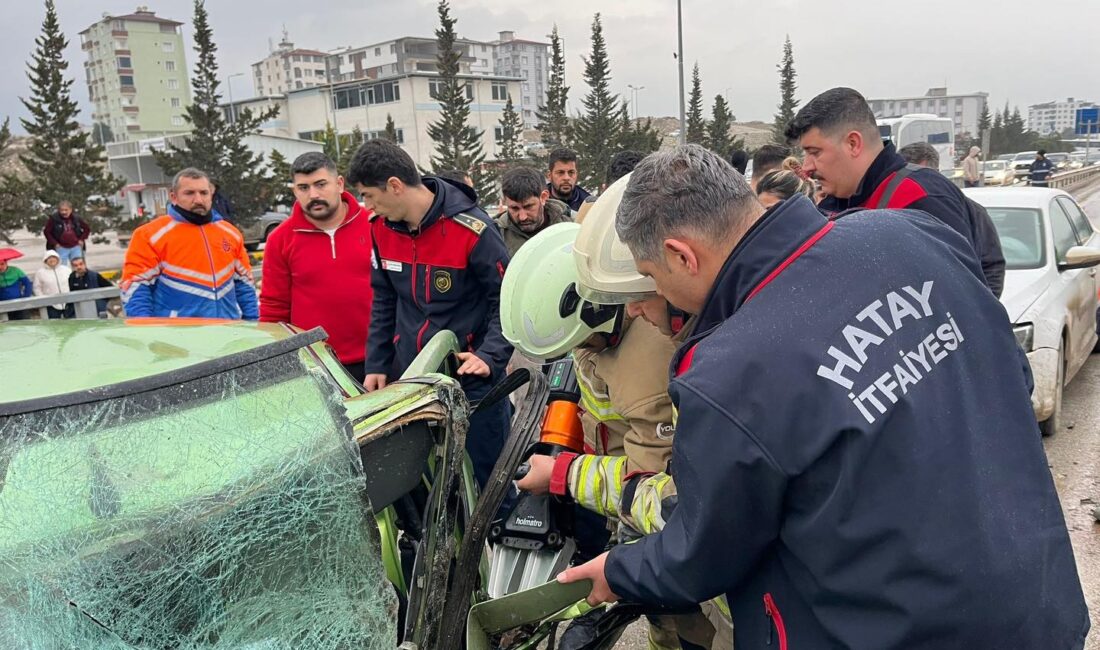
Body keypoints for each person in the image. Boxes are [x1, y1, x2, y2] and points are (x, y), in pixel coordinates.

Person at [557, 145, 1089, 648]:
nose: (645, 304)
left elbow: (706, 551)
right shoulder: (911, 235)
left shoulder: (726, 373)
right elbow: (1012, 382)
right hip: (1036, 605)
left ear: (681, 255)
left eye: (649, 277)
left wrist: (619, 570)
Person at [346, 140, 513, 490]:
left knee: (488, 481)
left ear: (394, 185)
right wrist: (377, 363)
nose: (366, 205)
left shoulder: (473, 230)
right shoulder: (379, 229)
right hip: (413, 378)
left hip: (471, 380)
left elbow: (506, 299)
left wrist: (490, 355)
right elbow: (384, 300)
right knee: (431, 486)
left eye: (369, 195)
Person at [788, 87, 1005, 295]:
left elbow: (961, 299)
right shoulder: (832, 205)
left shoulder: (922, 196)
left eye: (815, 152)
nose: (806, 166)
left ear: (853, 144)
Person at [260, 153, 374, 382]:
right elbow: (274, 308)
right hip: (314, 366)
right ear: (295, 191)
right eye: (303, 187)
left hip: (378, 361)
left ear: (339, 184)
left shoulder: (374, 224)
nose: (313, 195)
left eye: (321, 184)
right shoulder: (280, 239)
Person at [120, 168, 258, 319]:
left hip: (229, 332)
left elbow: (245, 285)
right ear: (173, 197)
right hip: (177, 337)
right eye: (189, 193)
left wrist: (253, 324)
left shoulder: (231, 233)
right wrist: (147, 331)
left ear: (211, 195)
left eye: (204, 193)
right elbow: (135, 288)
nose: (198, 199)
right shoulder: (149, 235)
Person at [899, 142, 1006, 297]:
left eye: (918, 176)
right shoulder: (892, 212)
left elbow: (992, 266)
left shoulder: (972, 212)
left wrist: (981, 307)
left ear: (936, 173)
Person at [495, 165, 572, 256]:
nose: (522, 217)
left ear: (543, 197)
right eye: (514, 208)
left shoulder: (572, 226)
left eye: (528, 207)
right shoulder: (496, 236)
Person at [43, 201, 91, 265]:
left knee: (78, 266)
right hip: (61, 247)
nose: (64, 212)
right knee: (62, 267)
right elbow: (47, 232)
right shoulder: (54, 219)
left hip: (75, 246)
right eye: (61, 210)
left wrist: (81, 239)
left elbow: (87, 229)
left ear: (70, 210)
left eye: (66, 210)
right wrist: (55, 243)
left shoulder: (76, 218)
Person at [32, 250, 72, 319]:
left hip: (68, 302)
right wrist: (43, 299)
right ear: (45, 260)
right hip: (51, 305)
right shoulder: (40, 273)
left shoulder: (66, 269)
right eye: (49, 258)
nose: (52, 260)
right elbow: (37, 288)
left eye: (54, 257)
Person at [0, 249, 34, 320]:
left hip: (19, 302)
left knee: (24, 322)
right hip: (3, 305)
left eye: (2, 264)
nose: (0, 267)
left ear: (6, 263)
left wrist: (25, 297)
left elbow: (27, 284)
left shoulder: (15, 270)